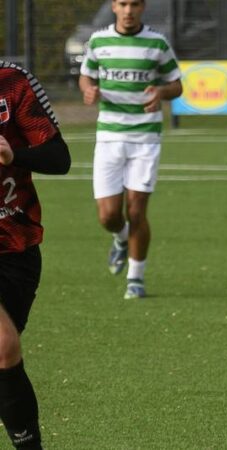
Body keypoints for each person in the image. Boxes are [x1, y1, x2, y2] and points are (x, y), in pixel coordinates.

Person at [79, 0, 183, 299]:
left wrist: (161, 91)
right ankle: (120, 238)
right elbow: (87, 74)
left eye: (134, 4)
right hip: (110, 136)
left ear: (142, 7)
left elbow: (177, 84)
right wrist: (88, 88)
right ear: (114, 6)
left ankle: (135, 278)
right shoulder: (99, 40)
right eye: (123, 4)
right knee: (108, 216)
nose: (128, 10)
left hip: (145, 138)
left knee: (136, 210)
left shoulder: (156, 42)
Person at [0, 61, 71, 449]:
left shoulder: (12, 80)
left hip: (17, 244)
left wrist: (15, 156)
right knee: (3, 345)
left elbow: (59, 158)